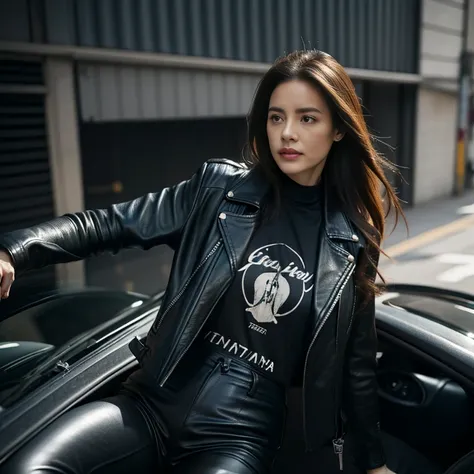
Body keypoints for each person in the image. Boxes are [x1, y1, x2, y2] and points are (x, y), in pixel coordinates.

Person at [0, 50, 441, 474]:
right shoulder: (217, 191)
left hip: (239, 432)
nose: (287, 132)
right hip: (152, 401)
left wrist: (373, 460)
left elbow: (357, 365)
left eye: (307, 118)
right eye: (276, 117)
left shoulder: (350, 242)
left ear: (338, 129)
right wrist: (13, 249)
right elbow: (106, 225)